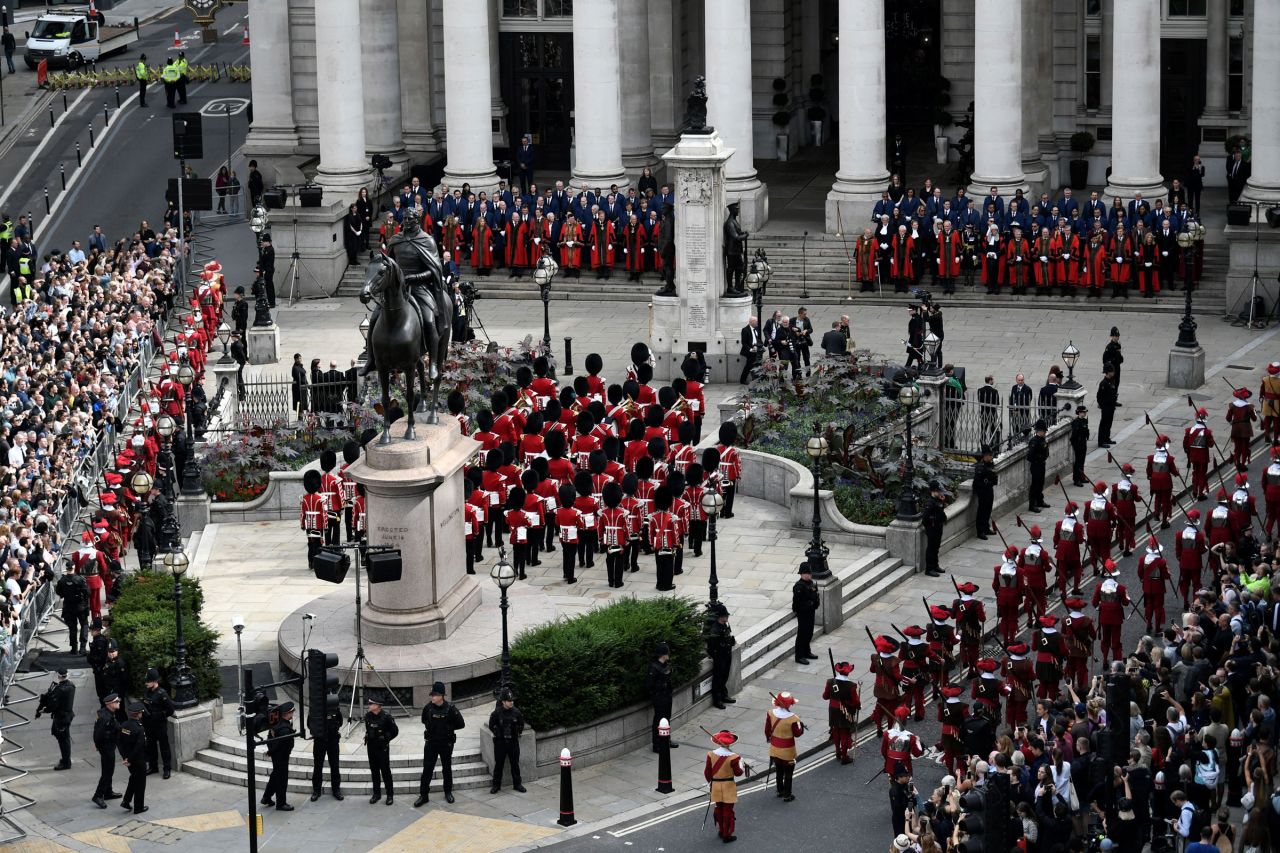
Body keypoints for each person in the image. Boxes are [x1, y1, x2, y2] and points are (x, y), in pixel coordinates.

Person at [415, 682, 465, 807]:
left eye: (435, 695)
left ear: (442, 695)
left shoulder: (451, 708)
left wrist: (448, 728)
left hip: (445, 743)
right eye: (432, 694)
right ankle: (424, 795)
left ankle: (448, 792)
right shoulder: (428, 708)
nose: (432, 697)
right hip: (431, 743)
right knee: (427, 769)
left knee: (446, 768)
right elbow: (423, 720)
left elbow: (461, 724)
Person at [765, 692, 803, 802]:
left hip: (774, 748)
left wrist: (769, 739)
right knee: (788, 773)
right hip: (788, 751)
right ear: (789, 705)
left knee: (779, 770)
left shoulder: (770, 713)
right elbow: (797, 733)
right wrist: (800, 726)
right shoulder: (793, 718)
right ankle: (787, 794)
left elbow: (767, 730)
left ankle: (780, 790)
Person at [488, 689, 527, 794]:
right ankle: (496, 785)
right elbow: (491, 725)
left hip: (513, 742)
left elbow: (521, 725)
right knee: (499, 765)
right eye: (509, 701)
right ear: (503, 702)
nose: (511, 702)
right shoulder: (496, 713)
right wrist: (497, 732)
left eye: (512, 700)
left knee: (515, 764)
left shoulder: (517, 712)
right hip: (500, 743)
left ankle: (517, 784)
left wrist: (517, 731)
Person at [36, 669, 75, 771]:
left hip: (61, 717)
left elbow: (52, 705)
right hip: (66, 715)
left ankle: (66, 762)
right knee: (62, 737)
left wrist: (44, 710)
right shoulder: (70, 685)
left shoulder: (60, 689)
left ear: (59, 676)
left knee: (63, 740)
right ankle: (66, 759)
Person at [362, 698, 398, 804]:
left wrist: (387, 738)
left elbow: (395, 731)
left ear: (378, 705)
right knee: (374, 771)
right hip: (371, 747)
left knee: (385, 771)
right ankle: (376, 794)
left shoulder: (386, 717)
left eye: (371, 703)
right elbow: (368, 729)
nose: (369, 705)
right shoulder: (368, 716)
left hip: (382, 748)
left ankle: (390, 795)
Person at [262, 701, 296, 810]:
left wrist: (270, 751)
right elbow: (280, 744)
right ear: (287, 714)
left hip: (277, 756)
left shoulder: (276, 723)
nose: (293, 713)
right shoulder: (285, 729)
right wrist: (271, 751)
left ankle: (266, 797)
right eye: (292, 712)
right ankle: (281, 803)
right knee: (282, 780)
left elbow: (269, 738)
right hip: (281, 756)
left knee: (275, 776)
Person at [141, 669, 174, 779]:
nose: (146, 683)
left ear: (155, 681)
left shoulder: (162, 694)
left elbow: (170, 710)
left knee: (164, 747)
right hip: (148, 724)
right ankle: (153, 766)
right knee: (151, 746)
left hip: (159, 725)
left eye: (148, 681)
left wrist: (159, 715)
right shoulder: (147, 692)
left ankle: (167, 769)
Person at [118, 702, 150, 814]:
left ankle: (126, 801)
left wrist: (125, 758)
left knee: (134, 778)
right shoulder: (139, 729)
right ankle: (138, 807)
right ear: (139, 714)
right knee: (140, 784)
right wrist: (130, 759)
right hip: (138, 760)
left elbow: (120, 743)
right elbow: (138, 747)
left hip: (129, 760)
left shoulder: (123, 726)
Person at [645, 643, 677, 752]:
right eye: (667, 653)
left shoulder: (665, 664)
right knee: (659, 720)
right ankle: (657, 744)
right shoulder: (654, 668)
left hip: (667, 695)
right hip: (659, 697)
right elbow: (649, 685)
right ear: (663, 655)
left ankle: (666, 740)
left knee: (667, 719)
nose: (669, 655)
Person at [310, 701, 344, 801]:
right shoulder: (316, 709)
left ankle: (336, 790)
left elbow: (340, 722)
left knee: (334, 766)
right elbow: (310, 723)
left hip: (332, 741)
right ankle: (316, 790)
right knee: (318, 766)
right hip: (320, 741)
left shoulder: (335, 709)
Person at [706, 602, 736, 709]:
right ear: (720, 617)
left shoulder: (725, 625)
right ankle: (717, 700)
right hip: (720, 657)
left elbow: (728, 636)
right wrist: (717, 655)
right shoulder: (715, 629)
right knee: (718, 678)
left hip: (727, 654)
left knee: (725, 676)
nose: (727, 617)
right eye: (725, 615)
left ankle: (724, 695)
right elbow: (712, 647)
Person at [54, 565, 90, 654]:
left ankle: (74, 648)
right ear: (74, 567)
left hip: (68, 606)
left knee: (72, 628)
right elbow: (88, 592)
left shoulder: (62, 580)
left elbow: (58, 591)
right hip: (80, 606)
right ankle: (82, 648)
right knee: (84, 625)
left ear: (66, 569)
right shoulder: (80, 579)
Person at [792, 563, 820, 663]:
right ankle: (799, 656)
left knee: (809, 632)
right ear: (801, 574)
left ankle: (806, 652)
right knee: (802, 634)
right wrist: (810, 604)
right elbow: (799, 603)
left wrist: (815, 603)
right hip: (803, 614)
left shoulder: (811, 583)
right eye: (806, 573)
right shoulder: (799, 587)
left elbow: (815, 595)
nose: (808, 575)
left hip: (811, 612)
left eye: (809, 573)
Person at [922, 481, 946, 577]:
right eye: (938, 491)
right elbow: (925, 519)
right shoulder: (930, 503)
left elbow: (940, 511)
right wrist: (930, 527)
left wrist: (942, 502)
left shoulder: (937, 500)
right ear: (933, 491)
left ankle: (935, 565)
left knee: (936, 547)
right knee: (931, 548)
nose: (940, 493)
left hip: (938, 527)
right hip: (932, 528)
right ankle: (929, 569)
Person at [973, 446, 997, 539]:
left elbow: (993, 474)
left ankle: (986, 528)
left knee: (988, 510)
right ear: (985, 456)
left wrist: (993, 480)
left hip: (989, 490)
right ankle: (980, 531)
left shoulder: (990, 464)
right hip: (983, 491)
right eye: (990, 455)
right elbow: (978, 482)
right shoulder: (980, 467)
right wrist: (988, 483)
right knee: (982, 511)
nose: (991, 457)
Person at [1027, 419, 1049, 511]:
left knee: (1041, 483)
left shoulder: (1042, 440)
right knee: (1035, 485)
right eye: (1044, 431)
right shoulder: (1034, 441)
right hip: (1036, 465)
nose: (1045, 433)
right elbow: (1030, 456)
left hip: (1042, 464)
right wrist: (1038, 458)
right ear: (1040, 431)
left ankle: (1040, 500)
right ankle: (1032, 505)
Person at [1097, 365, 1118, 448]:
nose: (1113, 373)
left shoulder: (1112, 381)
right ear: (1108, 372)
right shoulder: (1104, 383)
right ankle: (1101, 441)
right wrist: (1103, 406)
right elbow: (1099, 396)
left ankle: (1107, 438)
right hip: (1106, 407)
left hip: (1111, 406)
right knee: (1104, 423)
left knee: (1109, 423)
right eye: (1112, 371)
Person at [739, 316, 763, 385]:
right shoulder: (745, 330)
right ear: (751, 322)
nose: (757, 323)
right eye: (756, 321)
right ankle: (743, 380)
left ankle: (756, 378)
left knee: (757, 364)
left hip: (756, 349)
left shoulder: (757, 328)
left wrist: (757, 346)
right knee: (749, 365)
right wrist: (751, 349)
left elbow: (759, 339)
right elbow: (744, 342)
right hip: (748, 350)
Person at [1070, 406, 1090, 486]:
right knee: (1078, 462)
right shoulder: (1076, 422)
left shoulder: (1085, 421)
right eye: (1083, 412)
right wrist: (1075, 445)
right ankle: (1076, 479)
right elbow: (1074, 436)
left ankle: (1082, 477)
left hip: (1083, 443)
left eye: (1085, 412)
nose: (1085, 413)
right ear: (1080, 412)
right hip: (1078, 444)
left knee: (1082, 461)